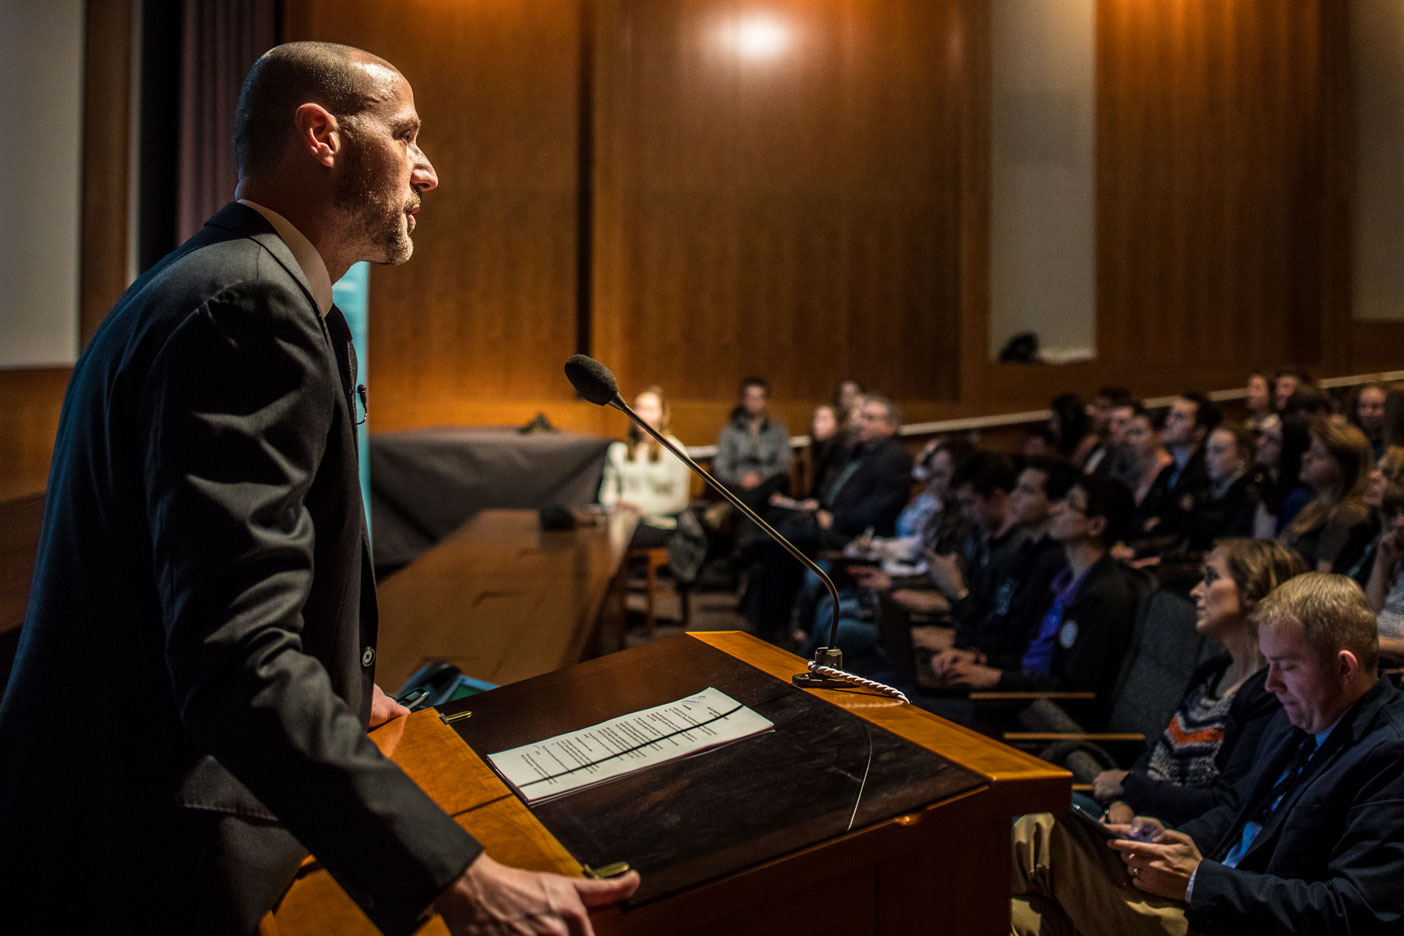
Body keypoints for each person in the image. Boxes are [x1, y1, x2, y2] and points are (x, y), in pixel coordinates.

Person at [0, 42, 638, 934]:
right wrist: (458, 877)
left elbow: (188, 581)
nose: (429, 172)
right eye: (408, 136)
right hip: (150, 853)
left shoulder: (233, 284)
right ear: (321, 135)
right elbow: (235, 656)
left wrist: (337, 685)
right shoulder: (245, 308)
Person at [1011, 572, 1404, 936]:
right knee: (1015, 915)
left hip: (1233, 920)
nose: (1270, 684)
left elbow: (1356, 911)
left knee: (1043, 831)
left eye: (1286, 666)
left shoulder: (1389, 754)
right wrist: (1169, 839)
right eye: (1268, 664)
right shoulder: (1301, 713)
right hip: (1210, 897)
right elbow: (1238, 812)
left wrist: (1199, 880)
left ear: (1345, 668)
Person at [1092, 539, 1304, 827]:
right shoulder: (1211, 671)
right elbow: (1158, 750)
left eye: (1211, 578)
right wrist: (1123, 803)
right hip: (1141, 822)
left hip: (1181, 843)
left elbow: (1226, 803)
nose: (1194, 592)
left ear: (1252, 591)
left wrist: (1130, 788)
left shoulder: (1268, 692)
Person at [938, 475, 1142, 729]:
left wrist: (997, 678)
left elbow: (1074, 692)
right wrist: (980, 660)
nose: (1055, 509)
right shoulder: (1064, 578)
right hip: (1021, 702)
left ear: (1095, 525)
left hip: (1041, 722)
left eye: (1069, 504)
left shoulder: (1105, 596)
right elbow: (1031, 655)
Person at [598, 386, 706, 582]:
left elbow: (678, 500)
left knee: (615, 539)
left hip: (658, 523)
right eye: (638, 407)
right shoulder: (618, 450)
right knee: (597, 536)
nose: (642, 414)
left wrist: (639, 508)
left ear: (662, 415)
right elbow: (607, 494)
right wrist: (617, 504)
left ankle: (612, 594)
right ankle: (605, 599)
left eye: (650, 409)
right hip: (620, 521)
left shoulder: (674, 449)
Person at [1278, 420, 1373, 573]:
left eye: (1318, 455)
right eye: (1309, 450)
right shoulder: (1315, 505)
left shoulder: (1346, 514)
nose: (1306, 457)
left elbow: (1323, 580)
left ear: (1342, 468)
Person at [713, 376, 792, 514]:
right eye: (751, 397)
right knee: (751, 508)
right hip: (740, 487)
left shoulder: (778, 431)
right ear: (743, 399)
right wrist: (741, 479)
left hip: (770, 487)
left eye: (759, 397)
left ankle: (732, 508)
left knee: (779, 481)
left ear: (766, 400)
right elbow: (720, 468)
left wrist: (760, 477)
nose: (755, 402)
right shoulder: (730, 432)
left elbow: (784, 464)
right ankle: (741, 505)